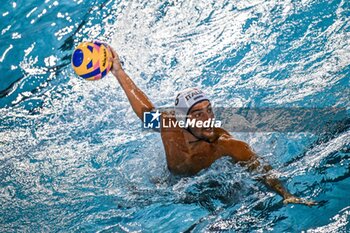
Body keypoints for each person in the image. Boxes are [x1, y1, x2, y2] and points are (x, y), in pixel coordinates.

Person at [108, 46, 316, 206]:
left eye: (209, 110)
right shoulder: (169, 127)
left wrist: (287, 195)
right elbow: (144, 111)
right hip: (178, 185)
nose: (208, 118)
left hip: (219, 186)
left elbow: (264, 172)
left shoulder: (228, 146)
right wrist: (118, 71)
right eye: (198, 113)